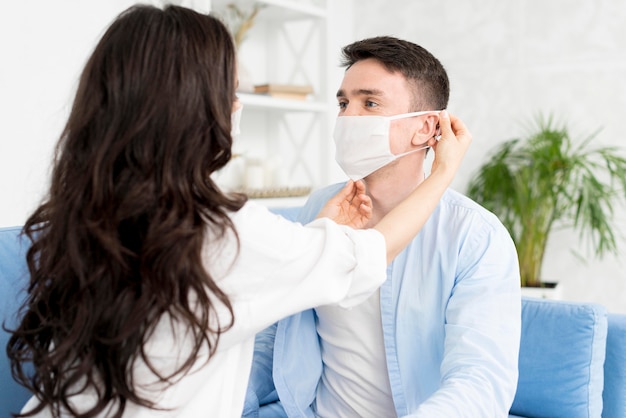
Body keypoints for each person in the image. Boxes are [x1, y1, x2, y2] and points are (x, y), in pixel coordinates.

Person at [5, 6, 471, 418]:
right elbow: (365, 259)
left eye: (369, 104)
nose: (237, 104)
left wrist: (321, 232)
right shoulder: (226, 234)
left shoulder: (85, 217)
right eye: (229, 90)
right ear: (196, 108)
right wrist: (442, 174)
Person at [244, 37, 521, 417]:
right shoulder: (318, 209)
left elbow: (480, 382)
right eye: (343, 103)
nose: (347, 118)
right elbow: (275, 334)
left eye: (369, 103)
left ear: (426, 127)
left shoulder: (474, 237)